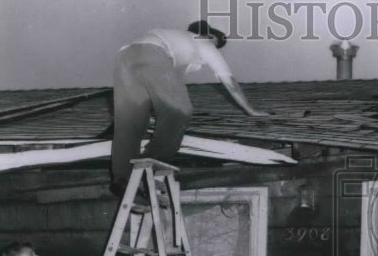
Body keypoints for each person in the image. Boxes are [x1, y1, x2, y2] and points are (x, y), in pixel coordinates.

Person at [110, 20, 268, 196]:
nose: (213, 50)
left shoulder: (174, 39)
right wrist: (250, 110)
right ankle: (150, 162)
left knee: (129, 122)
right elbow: (229, 81)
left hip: (125, 56)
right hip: (154, 54)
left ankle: (122, 179)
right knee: (180, 112)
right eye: (216, 44)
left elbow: (161, 87)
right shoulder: (203, 41)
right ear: (210, 36)